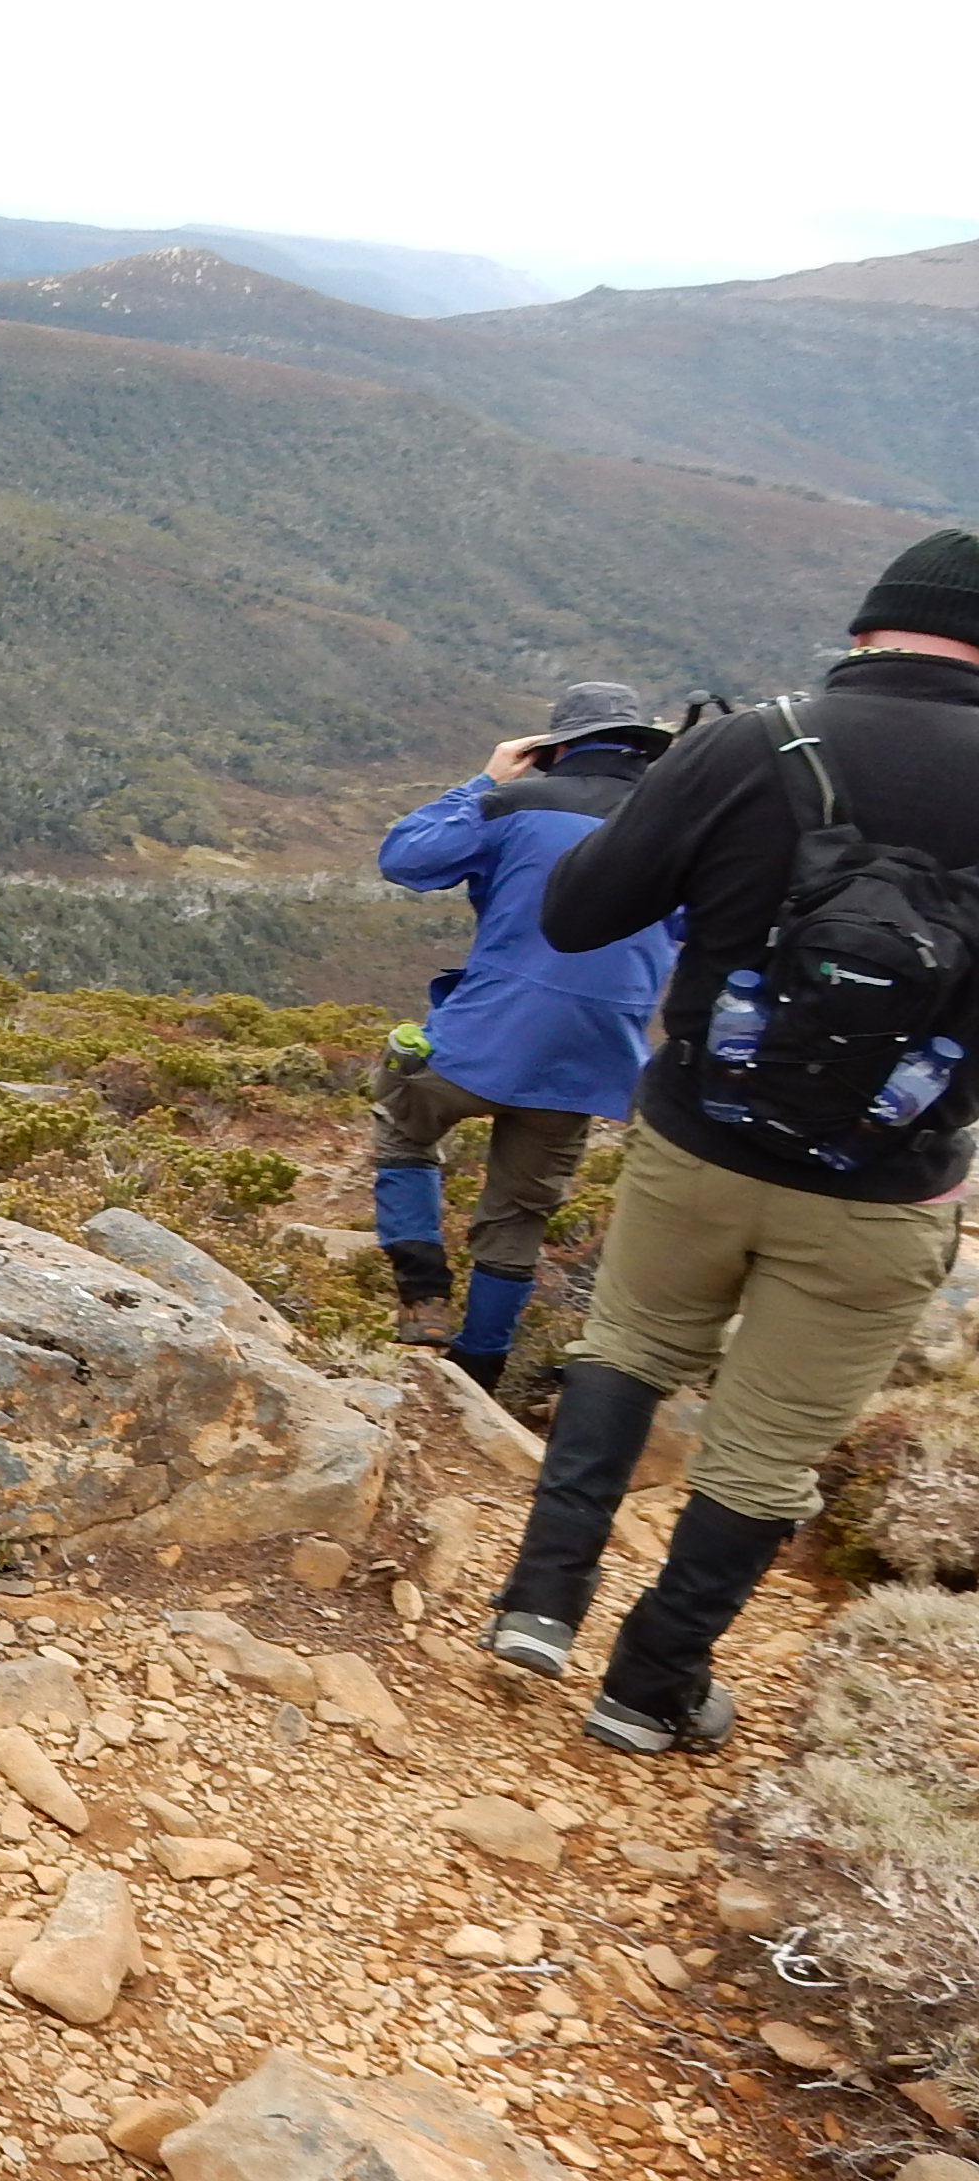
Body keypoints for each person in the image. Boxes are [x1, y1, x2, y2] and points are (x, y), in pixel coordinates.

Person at [481, 530, 979, 1754]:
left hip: (699, 1140)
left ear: (869, 629)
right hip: (887, 1190)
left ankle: (541, 1603)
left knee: (630, 1348)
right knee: (767, 1449)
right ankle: (650, 1688)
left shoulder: (753, 742)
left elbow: (584, 908)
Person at [370, 683, 678, 1387]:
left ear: (554, 749)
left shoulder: (515, 803)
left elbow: (407, 857)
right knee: (521, 1210)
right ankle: (479, 1371)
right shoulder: (682, 827)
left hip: (487, 1032)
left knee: (402, 1115)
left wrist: (484, 779)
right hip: (597, 1057)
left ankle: (422, 1297)